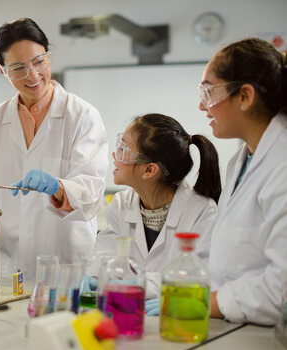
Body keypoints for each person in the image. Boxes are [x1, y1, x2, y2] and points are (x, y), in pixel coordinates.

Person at [0, 18, 109, 280]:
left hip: (65, 266)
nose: (33, 75)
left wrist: (59, 187)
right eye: (18, 67)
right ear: (1, 69)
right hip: (7, 266)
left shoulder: (82, 116)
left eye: (39, 62)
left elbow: (91, 191)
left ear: (48, 56)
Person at [199, 38, 287, 325]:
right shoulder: (241, 160)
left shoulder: (282, 163)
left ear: (245, 97)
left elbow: (281, 289)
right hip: (239, 324)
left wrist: (206, 302)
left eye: (209, 91)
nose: (202, 105)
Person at [93, 113, 220, 310]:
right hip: (125, 314)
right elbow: (105, 258)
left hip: (176, 321)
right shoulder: (121, 203)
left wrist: (141, 284)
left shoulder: (201, 212)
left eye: (123, 149)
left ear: (149, 171)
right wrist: (95, 277)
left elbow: (199, 278)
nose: (114, 156)